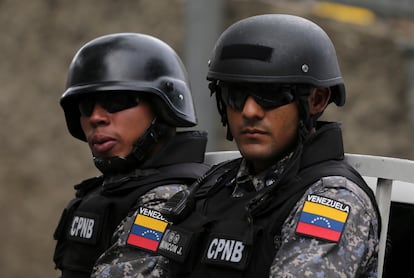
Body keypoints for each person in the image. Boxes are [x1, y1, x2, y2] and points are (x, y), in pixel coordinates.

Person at [92, 14, 381, 278]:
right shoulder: (208, 187)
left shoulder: (333, 201)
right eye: (235, 95)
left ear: (316, 100)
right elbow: (125, 266)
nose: (250, 111)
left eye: (271, 94)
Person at [52, 32, 210, 278]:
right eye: (85, 106)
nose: (96, 117)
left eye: (116, 101)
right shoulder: (107, 191)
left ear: (163, 107)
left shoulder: (167, 201)